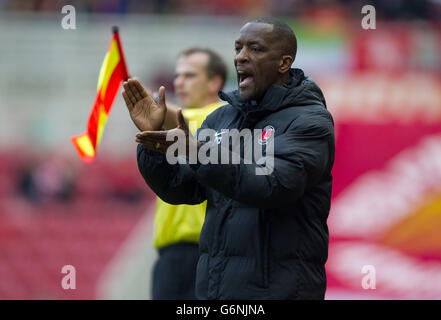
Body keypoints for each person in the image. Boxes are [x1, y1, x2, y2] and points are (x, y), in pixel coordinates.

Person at [123, 17, 335, 299]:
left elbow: (273, 184)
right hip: (216, 293)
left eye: (255, 49)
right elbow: (182, 188)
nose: (241, 57)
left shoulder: (309, 121)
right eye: (238, 48)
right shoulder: (222, 118)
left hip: (281, 293)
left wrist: (199, 152)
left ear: (284, 64)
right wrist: (153, 141)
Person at [125, 48, 227, 299]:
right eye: (177, 75)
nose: (179, 81)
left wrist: (151, 107)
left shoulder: (221, 119)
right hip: (172, 252)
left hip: (202, 250)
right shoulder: (188, 123)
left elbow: (177, 117)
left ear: (215, 82)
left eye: (190, 75)